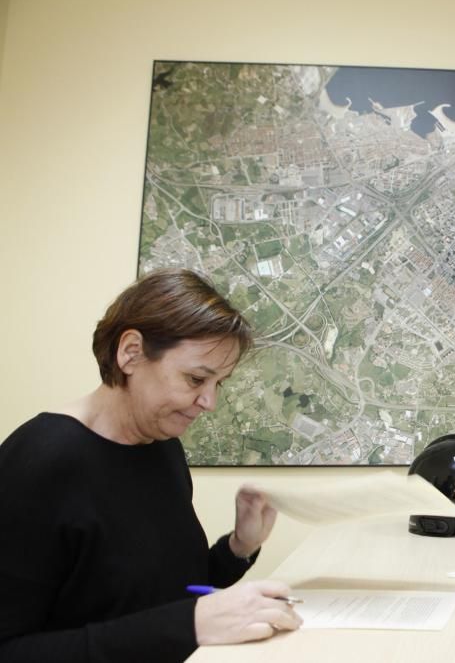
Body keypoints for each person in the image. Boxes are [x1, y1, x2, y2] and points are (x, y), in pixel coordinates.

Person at [0, 269, 303, 663]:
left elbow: (172, 593)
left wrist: (239, 548)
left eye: (218, 384)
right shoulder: (40, 462)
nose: (208, 402)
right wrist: (188, 626)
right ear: (131, 353)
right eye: (196, 379)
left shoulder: (161, 446)